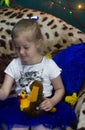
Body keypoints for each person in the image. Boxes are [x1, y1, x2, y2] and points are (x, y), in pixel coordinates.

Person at [0, 18, 65, 130]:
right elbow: (4, 93)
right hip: (21, 107)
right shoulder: (14, 65)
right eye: (17, 47)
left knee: (41, 128)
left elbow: (60, 89)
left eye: (26, 47)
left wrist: (52, 101)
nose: (21, 52)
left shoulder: (49, 65)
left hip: (43, 108)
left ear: (38, 43)